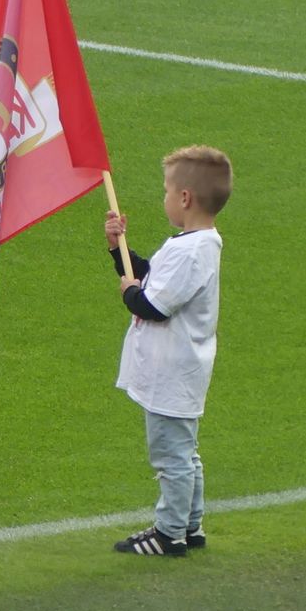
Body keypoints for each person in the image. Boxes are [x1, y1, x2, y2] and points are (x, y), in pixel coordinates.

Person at [105, 145, 232, 558]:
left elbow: (153, 305)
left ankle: (169, 532)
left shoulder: (190, 251)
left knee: (171, 456)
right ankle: (190, 525)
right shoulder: (197, 244)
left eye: (166, 191)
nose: (164, 198)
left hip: (171, 373)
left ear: (185, 198)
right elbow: (152, 276)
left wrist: (129, 292)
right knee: (184, 452)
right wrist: (118, 250)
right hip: (182, 368)